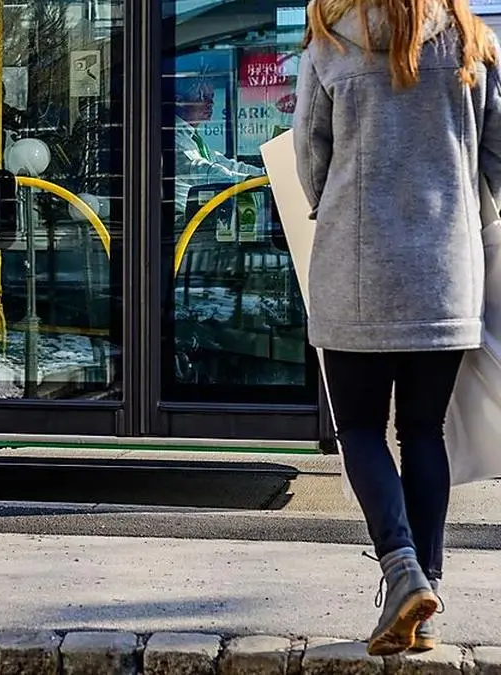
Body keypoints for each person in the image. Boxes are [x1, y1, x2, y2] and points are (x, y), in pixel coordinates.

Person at [292, 0, 501, 656]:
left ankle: (402, 568)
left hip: (355, 269)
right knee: (422, 430)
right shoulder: (473, 42)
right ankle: (425, 599)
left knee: (359, 428)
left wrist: (337, 204)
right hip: (447, 274)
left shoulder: (330, 41)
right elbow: (497, 160)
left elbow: (311, 157)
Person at [172, 75, 265, 223]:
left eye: (211, 97)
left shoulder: (192, 138)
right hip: (179, 222)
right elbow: (202, 169)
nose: (210, 103)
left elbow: (224, 164)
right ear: (179, 100)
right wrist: (246, 181)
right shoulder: (173, 136)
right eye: (201, 96)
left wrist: (264, 175)